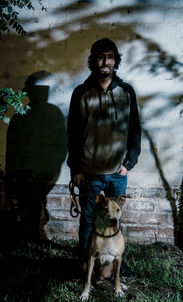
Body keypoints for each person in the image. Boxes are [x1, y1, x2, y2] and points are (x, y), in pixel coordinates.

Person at [67, 38, 141, 253]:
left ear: (116, 61)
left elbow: (135, 130)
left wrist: (129, 163)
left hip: (118, 172)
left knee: (114, 220)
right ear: (93, 61)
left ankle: (114, 263)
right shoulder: (81, 92)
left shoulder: (126, 91)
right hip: (90, 173)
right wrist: (76, 169)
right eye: (101, 56)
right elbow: (72, 134)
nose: (105, 61)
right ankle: (84, 263)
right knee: (89, 221)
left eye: (110, 57)